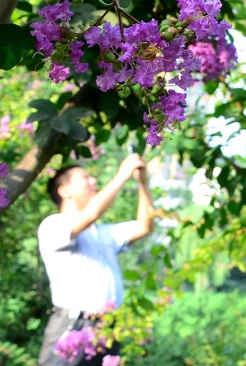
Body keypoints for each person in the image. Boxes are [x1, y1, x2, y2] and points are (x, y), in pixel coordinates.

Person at [37, 153, 157, 366]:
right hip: (73, 325)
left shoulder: (101, 233)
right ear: (65, 191)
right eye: (85, 178)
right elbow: (91, 214)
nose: (93, 181)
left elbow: (144, 226)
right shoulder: (53, 225)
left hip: (108, 328)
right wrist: (122, 175)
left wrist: (143, 183)